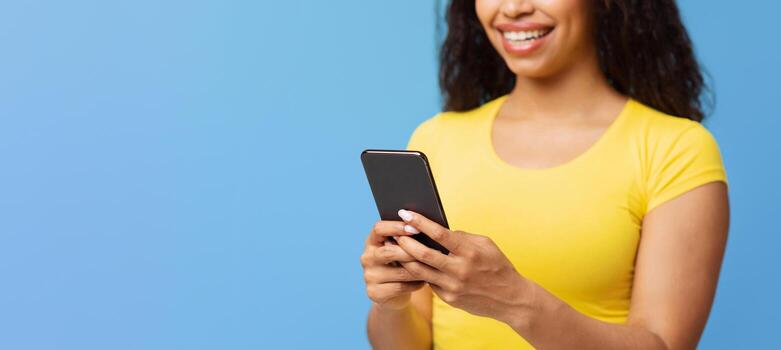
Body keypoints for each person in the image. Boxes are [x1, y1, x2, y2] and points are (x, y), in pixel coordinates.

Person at [359, 0, 729, 348]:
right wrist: (392, 303)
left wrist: (514, 300)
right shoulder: (435, 138)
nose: (515, 7)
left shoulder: (675, 148)